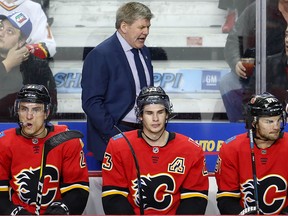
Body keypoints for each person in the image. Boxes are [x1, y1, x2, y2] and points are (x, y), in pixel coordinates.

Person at [102, 86, 209, 215]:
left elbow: (195, 199)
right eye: (149, 113)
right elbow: (113, 197)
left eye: (160, 112)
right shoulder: (119, 145)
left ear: (167, 114)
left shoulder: (191, 149)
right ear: (140, 115)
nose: (155, 119)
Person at [81, 2, 154, 165]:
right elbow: (91, 102)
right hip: (113, 136)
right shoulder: (100, 55)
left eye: (148, 27)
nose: (146, 32)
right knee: (117, 190)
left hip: (143, 135)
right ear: (124, 26)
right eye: (141, 27)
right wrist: (115, 135)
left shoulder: (144, 50)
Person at [0, 84, 89, 215]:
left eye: (36, 110)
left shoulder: (66, 139)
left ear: (46, 113)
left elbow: (78, 190)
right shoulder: (4, 142)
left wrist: (61, 210)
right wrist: (15, 212)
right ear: (17, 111)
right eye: (24, 109)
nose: (29, 116)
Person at [215, 92, 288, 214]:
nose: (276, 126)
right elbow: (226, 199)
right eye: (269, 121)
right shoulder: (231, 148)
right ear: (253, 122)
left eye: (279, 120)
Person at [219, 0, 288, 122]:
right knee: (228, 82)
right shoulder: (258, 9)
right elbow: (233, 40)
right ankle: (244, 129)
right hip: (262, 73)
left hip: (283, 75)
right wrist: (236, 62)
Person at [0, 11, 57, 121]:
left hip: (23, 131)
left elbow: (51, 105)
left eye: (10, 31)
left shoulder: (36, 65)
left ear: (21, 41)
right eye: (1, 27)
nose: (1, 33)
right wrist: (7, 64)